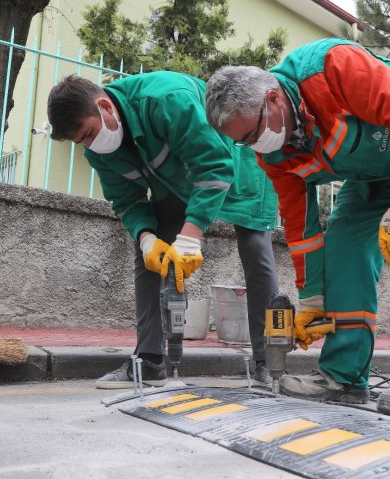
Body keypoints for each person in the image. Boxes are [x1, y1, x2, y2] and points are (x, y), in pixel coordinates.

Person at [204, 38, 390, 426]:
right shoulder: (274, 155)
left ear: (272, 99)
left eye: (252, 134)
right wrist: (313, 300)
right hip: (373, 170)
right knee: (344, 251)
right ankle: (344, 376)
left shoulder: (331, 67)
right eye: (242, 142)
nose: (252, 146)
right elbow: (302, 229)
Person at [47, 73, 279, 388]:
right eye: (81, 141)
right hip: (175, 183)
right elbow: (126, 200)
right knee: (149, 257)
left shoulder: (167, 100)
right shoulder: (97, 151)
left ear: (104, 106)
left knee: (256, 251)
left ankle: (269, 363)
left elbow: (214, 165)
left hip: (237, 164)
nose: (89, 144)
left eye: (88, 133)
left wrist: (190, 237)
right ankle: (149, 361)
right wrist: (146, 239)